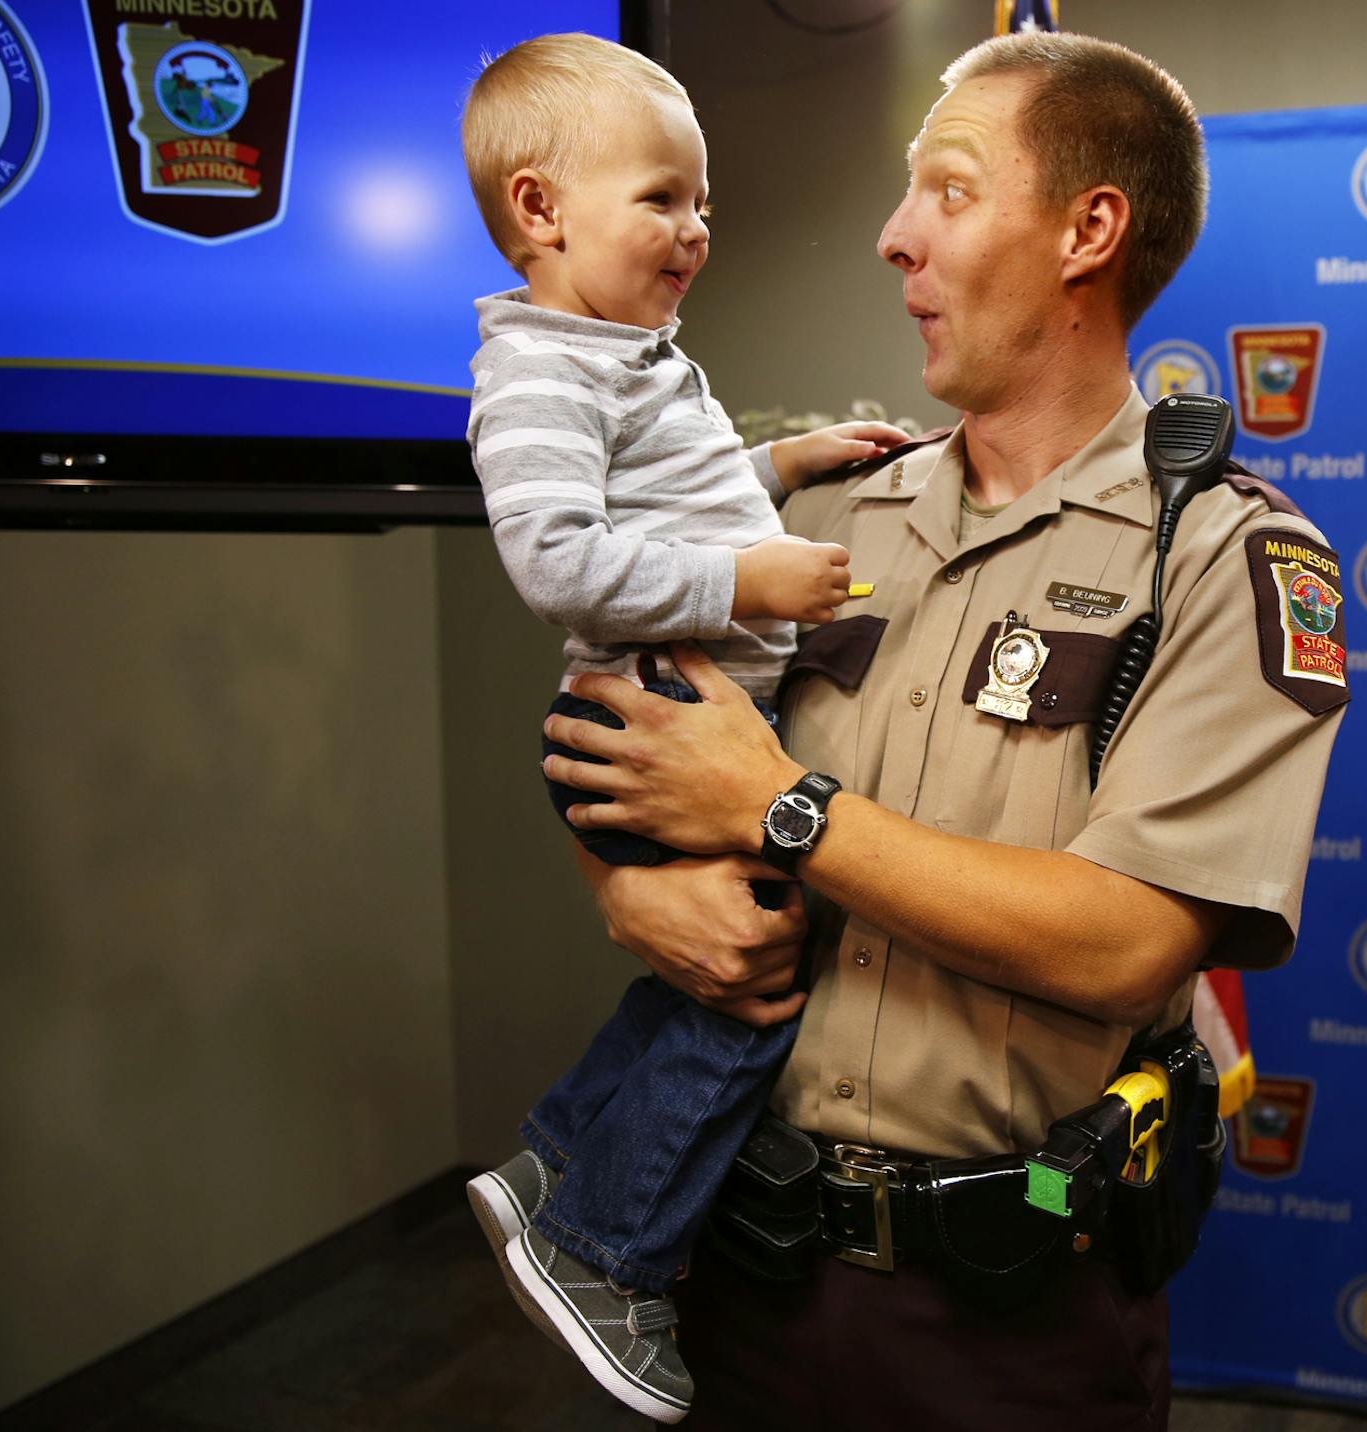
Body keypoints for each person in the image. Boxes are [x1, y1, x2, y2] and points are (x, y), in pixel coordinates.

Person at [544, 30, 1350, 1431]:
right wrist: (630, 893)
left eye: (950, 192)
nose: (893, 238)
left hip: (1010, 1314)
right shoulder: (822, 513)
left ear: (1090, 230)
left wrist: (784, 808)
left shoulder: (1222, 558)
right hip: (730, 1272)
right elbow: (616, 744)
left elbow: (1128, 943)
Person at [454, 33, 908, 1423]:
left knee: (695, 980)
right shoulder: (539, 375)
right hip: (647, 712)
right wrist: (741, 579)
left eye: (701, 204)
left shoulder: (629, 357)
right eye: (665, 198)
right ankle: (607, 1256)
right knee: (754, 993)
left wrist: (784, 465)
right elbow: (557, 560)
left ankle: (554, 1159)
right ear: (542, 211)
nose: (697, 231)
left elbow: (679, 491)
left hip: (686, 702)